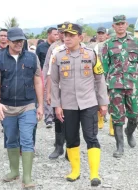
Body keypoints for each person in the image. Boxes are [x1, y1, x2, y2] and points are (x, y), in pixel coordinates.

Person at [51, 23, 109, 186]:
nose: (67, 38)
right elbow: (54, 82)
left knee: (91, 137)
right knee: (71, 137)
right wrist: (57, 105)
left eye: (71, 35)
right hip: (68, 104)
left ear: (80, 37)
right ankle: (75, 171)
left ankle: (94, 174)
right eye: (65, 35)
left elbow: (99, 79)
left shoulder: (92, 55)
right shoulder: (58, 56)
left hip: (89, 103)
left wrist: (103, 102)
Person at [0, 27, 43, 188]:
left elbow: (38, 81)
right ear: (8, 41)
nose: (19, 43)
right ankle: (14, 171)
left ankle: (27, 178)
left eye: (21, 40)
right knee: (11, 139)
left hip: (27, 105)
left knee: (27, 140)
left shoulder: (32, 59)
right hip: (7, 107)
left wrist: (40, 105)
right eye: (16, 41)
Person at [102, 15, 138, 158]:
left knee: (135, 114)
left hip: (133, 85)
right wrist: (102, 88)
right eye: (117, 24)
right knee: (117, 116)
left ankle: (129, 133)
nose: (120, 26)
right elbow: (104, 67)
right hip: (115, 85)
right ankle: (120, 146)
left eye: (122, 23)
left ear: (126, 24)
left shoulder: (135, 42)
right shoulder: (108, 44)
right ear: (113, 26)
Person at [43, 22, 67, 159]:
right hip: (57, 88)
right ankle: (58, 147)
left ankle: (71, 147)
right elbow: (47, 68)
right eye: (61, 33)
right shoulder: (54, 47)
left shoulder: (78, 47)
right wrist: (47, 90)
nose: (63, 35)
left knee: (72, 118)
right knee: (58, 118)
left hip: (72, 90)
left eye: (66, 33)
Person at [36, 27, 58, 128]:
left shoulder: (59, 47)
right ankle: (48, 117)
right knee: (46, 94)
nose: (57, 36)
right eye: (55, 34)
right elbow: (38, 62)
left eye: (58, 34)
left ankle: (56, 114)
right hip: (44, 73)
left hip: (57, 73)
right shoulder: (41, 47)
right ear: (49, 34)